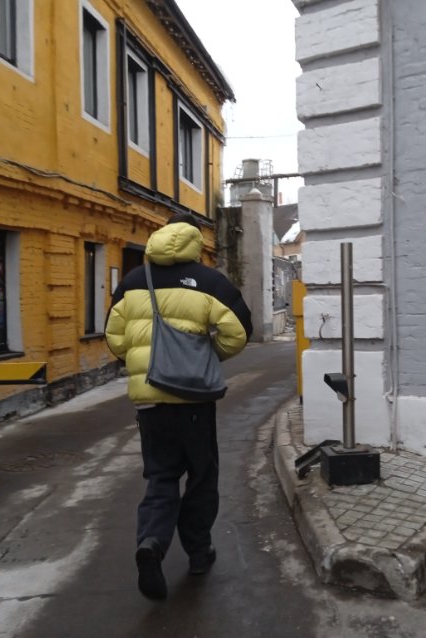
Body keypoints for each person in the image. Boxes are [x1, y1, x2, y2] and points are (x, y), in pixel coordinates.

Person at [104, 212, 252, 601]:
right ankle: (199, 554)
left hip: (149, 401)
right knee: (201, 477)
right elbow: (239, 332)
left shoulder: (134, 281)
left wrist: (142, 359)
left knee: (161, 476)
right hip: (193, 401)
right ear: (194, 240)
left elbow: (114, 340)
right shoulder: (209, 281)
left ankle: (151, 542)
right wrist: (207, 355)